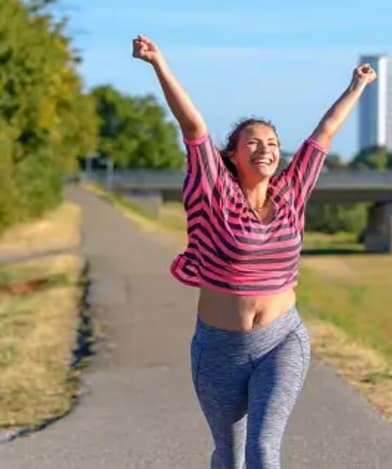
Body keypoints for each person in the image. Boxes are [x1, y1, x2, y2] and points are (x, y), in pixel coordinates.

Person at [131, 34, 376, 469]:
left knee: (263, 450)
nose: (266, 150)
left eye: (273, 144)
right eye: (254, 143)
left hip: (281, 339)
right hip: (218, 348)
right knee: (230, 456)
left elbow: (324, 134)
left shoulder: (291, 193)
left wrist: (356, 86)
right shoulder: (213, 192)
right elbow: (193, 128)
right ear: (231, 154)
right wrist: (158, 63)